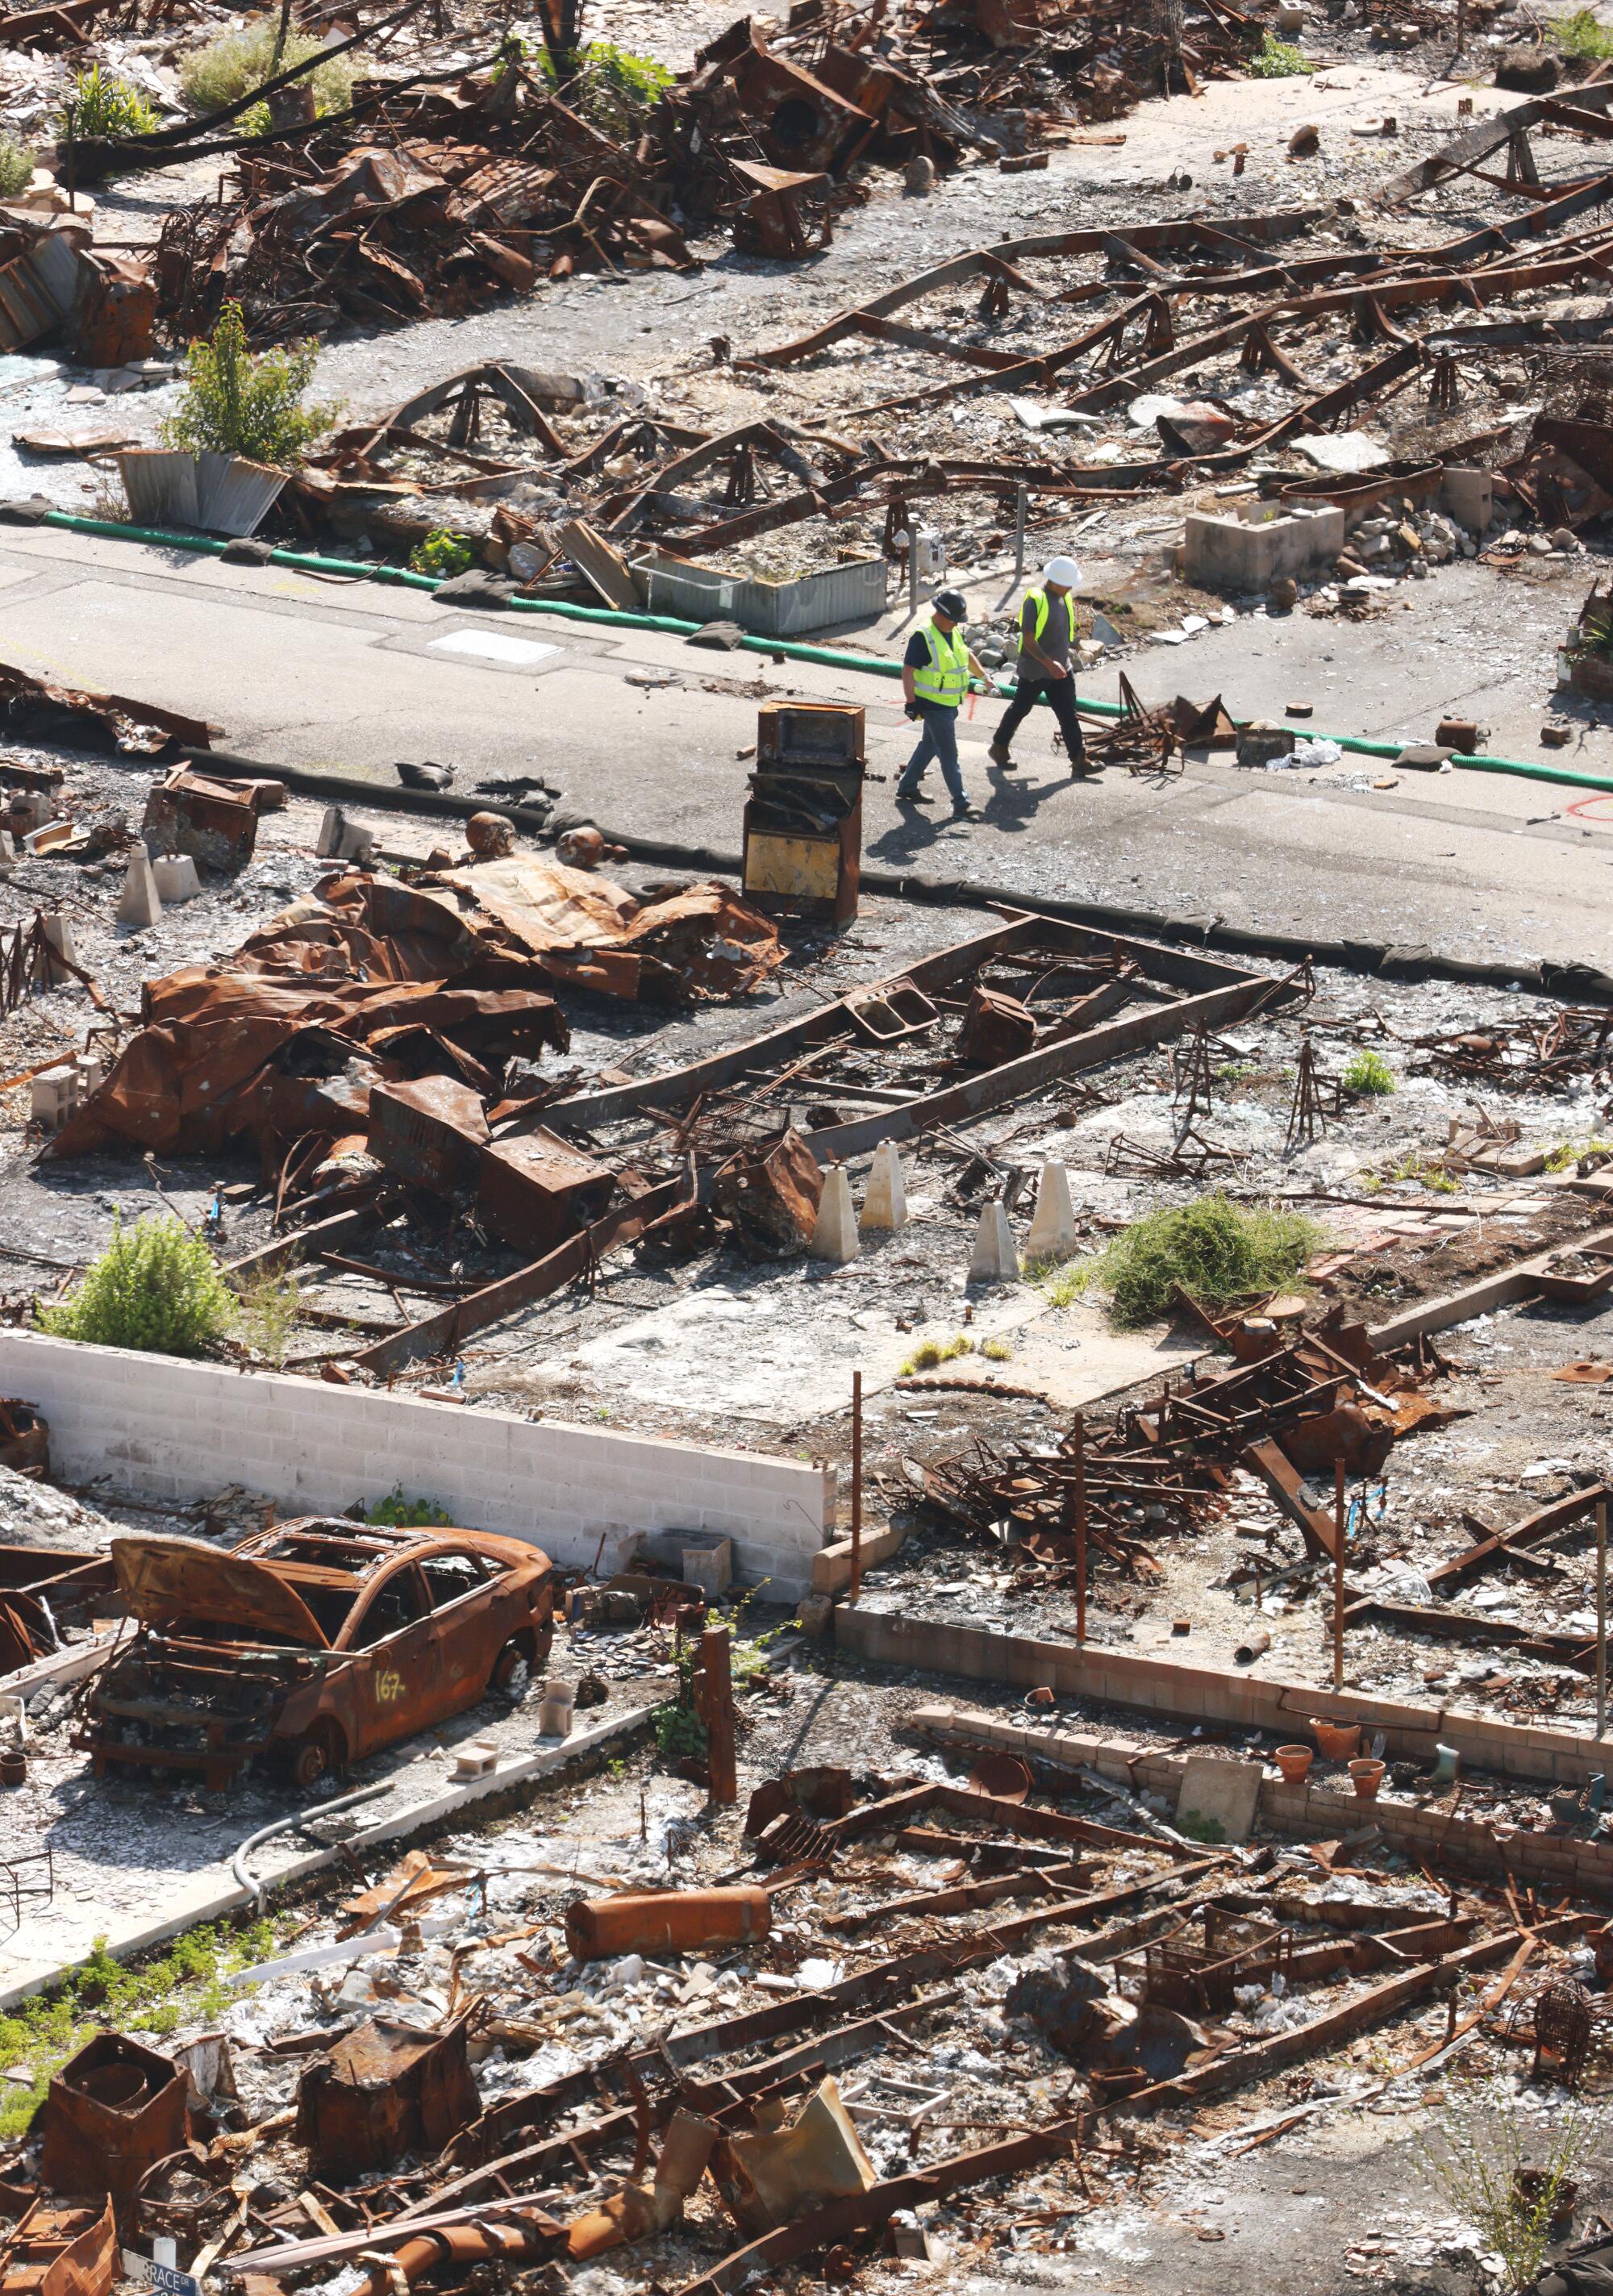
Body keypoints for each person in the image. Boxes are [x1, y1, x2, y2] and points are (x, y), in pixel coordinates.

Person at [989, 555, 1094, 777]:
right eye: (1067, 584)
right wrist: (1048, 662)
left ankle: (1078, 758)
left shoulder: (1063, 598)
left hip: (1061, 669)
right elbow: (1028, 639)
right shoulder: (1035, 600)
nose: (1070, 588)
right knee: (1020, 709)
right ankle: (999, 746)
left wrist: (1062, 661)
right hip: (1036, 670)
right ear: (1055, 580)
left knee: (1068, 713)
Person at [897, 588, 990, 821]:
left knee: (929, 744)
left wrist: (984, 677)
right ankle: (961, 802)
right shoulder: (923, 636)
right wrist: (911, 702)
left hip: (949, 704)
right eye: (953, 620)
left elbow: (966, 655)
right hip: (934, 705)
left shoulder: (952, 631)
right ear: (940, 613)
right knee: (949, 754)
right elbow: (908, 672)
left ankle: (907, 786)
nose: (956, 624)